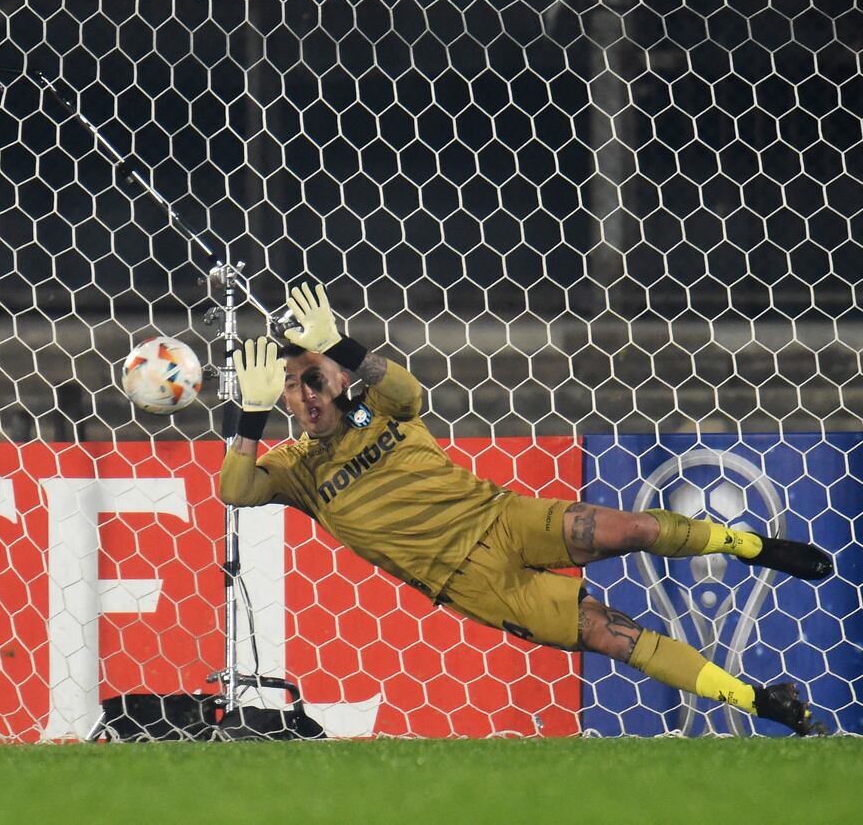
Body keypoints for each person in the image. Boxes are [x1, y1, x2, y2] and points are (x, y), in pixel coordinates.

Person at [220, 282, 834, 736]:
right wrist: (248, 416)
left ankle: (757, 548)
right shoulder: (296, 468)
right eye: (293, 386)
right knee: (612, 633)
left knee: (634, 527)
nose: (308, 394)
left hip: (502, 515)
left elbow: (409, 392)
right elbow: (234, 489)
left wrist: (340, 346)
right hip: (474, 581)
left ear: (338, 374)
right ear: (282, 399)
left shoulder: (371, 409)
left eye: (316, 376)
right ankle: (760, 702)